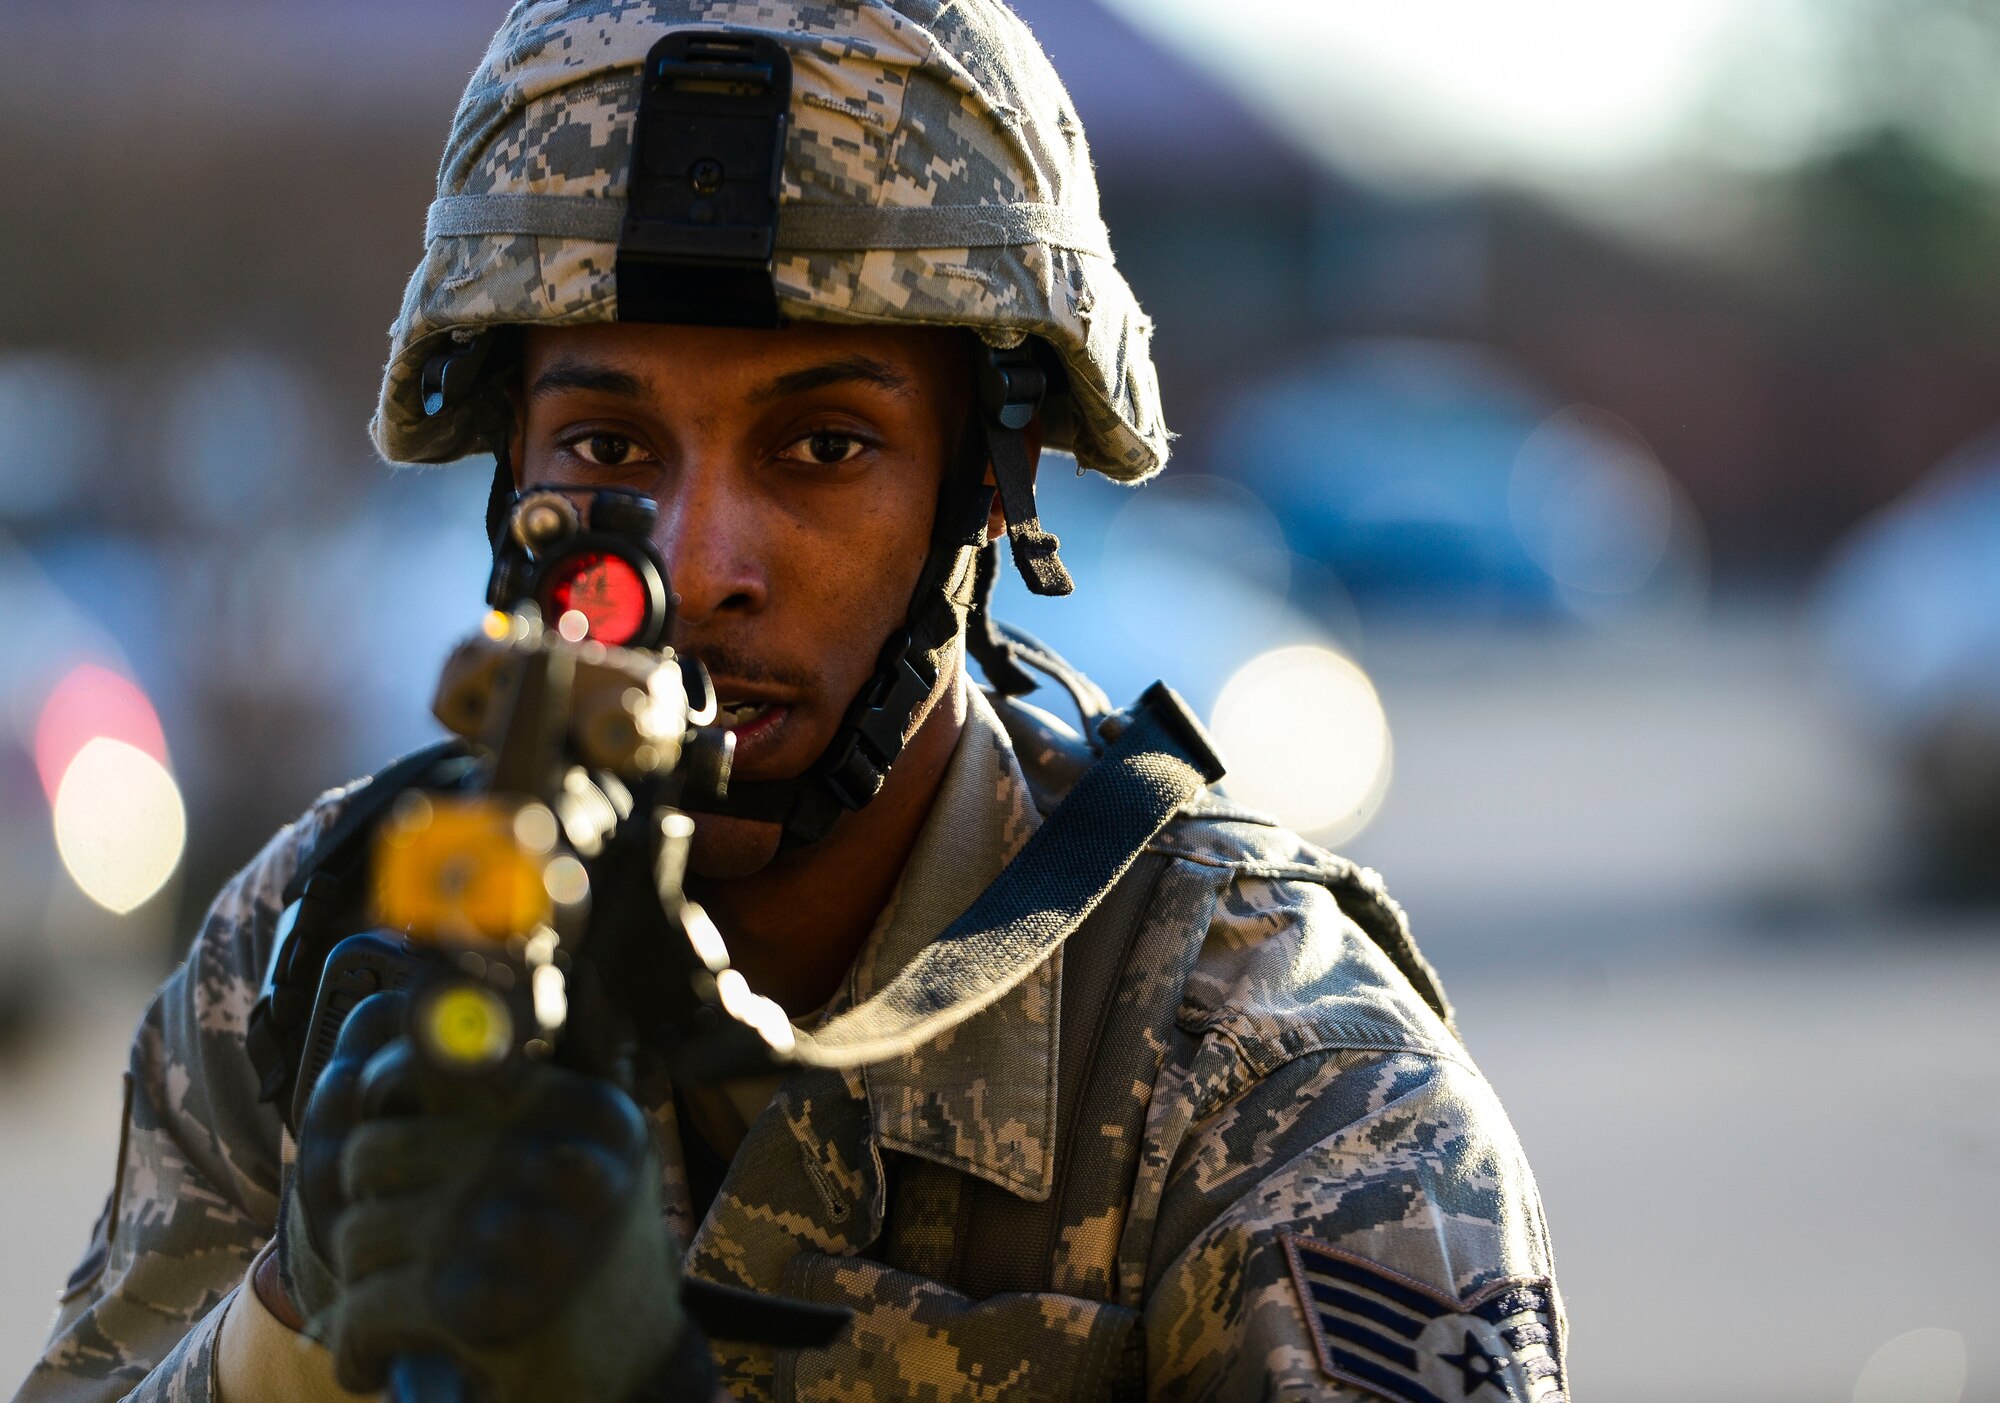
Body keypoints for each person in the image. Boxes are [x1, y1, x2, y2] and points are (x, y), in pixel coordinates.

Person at [13, 3, 1568, 1400]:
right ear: (510, 481)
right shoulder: (311, 951)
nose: (698, 567)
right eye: (610, 451)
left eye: (822, 446)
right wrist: (287, 1337)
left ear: (986, 485)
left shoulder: (1259, 1066)